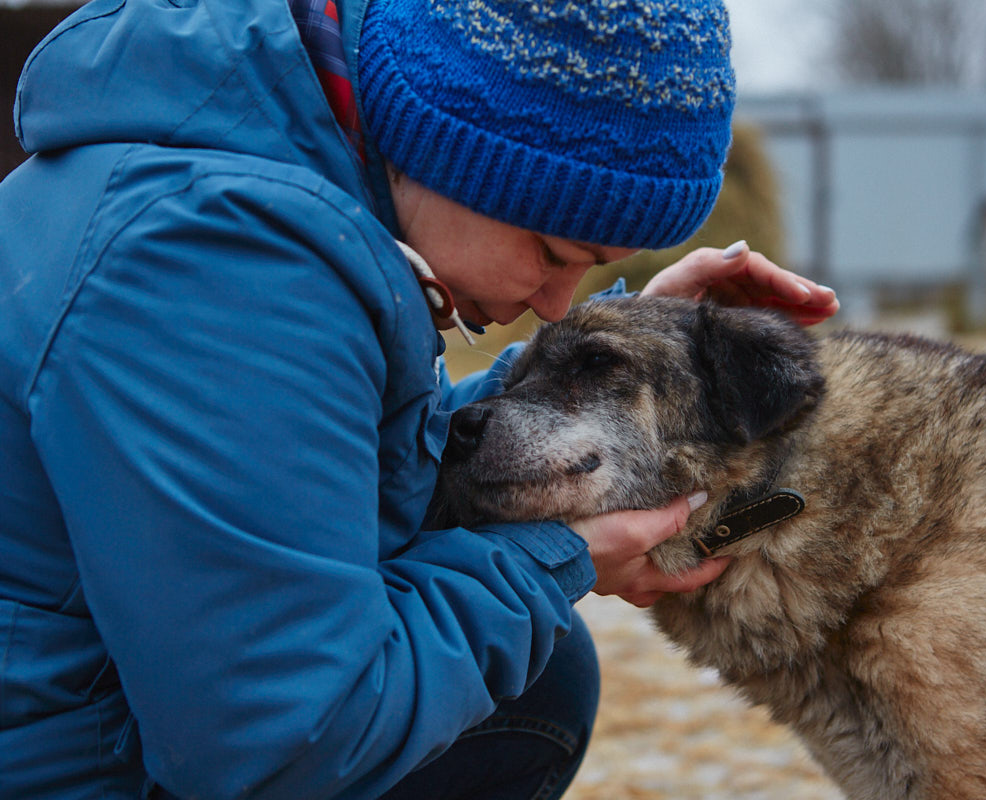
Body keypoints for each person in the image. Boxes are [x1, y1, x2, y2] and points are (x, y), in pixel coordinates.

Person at [0, 0, 838, 797]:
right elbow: (281, 742)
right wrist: (558, 558)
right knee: (528, 685)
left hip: (101, 715)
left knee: (533, 683)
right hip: (62, 766)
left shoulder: (272, 185)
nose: (555, 303)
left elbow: (305, 483)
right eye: (554, 251)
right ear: (459, 152)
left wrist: (617, 355)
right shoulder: (215, 264)